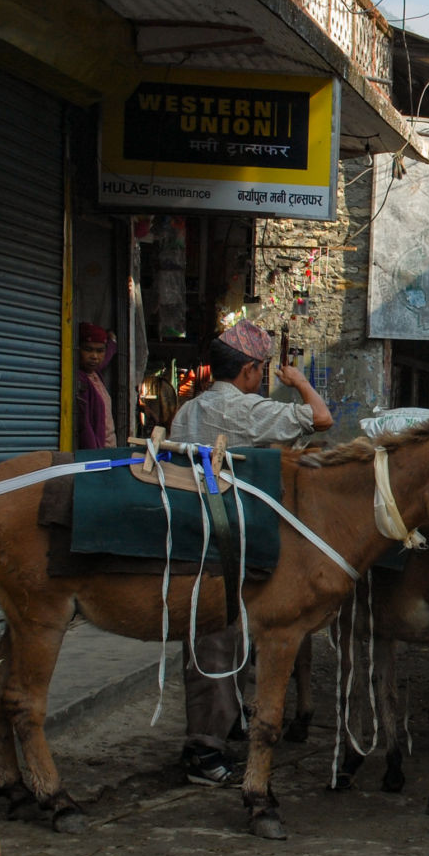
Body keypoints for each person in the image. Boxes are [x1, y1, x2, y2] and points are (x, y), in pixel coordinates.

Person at [169, 319, 333, 785]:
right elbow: (321, 418)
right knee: (219, 639)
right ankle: (203, 749)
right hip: (227, 536)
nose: (261, 378)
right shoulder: (246, 410)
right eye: (259, 370)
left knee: (218, 638)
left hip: (192, 531)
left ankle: (225, 722)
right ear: (248, 370)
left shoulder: (187, 412)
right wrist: (299, 381)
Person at [75, 322, 117, 449]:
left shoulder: (95, 373)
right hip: (98, 453)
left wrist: (112, 340)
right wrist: (95, 457)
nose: (94, 356)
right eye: (88, 349)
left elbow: (107, 354)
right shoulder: (81, 380)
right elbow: (85, 425)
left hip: (109, 449)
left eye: (100, 351)